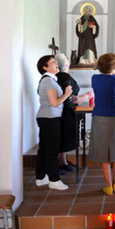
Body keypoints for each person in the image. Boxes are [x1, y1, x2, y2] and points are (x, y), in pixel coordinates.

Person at [89, 53, 115, 195]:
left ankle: (108, 185)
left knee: (103, 153)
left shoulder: (95, 79)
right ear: (114, 67)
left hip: (99, 116)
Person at [35, 55, 73, 190]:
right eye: (52, 62)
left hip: (46, 118)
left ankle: (40, 177)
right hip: (50, 118)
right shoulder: (48, 81)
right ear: (45, 67)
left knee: (44, 148)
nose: (56, 64)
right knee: (52, 150)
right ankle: (54, 179)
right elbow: (54, 102)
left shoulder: (49, 80)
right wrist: (67, 94)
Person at [53, 53, 93, 172]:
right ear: (66, 64)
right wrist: (84, 96)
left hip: (60, 110)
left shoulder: (55, 77)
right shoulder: (65, 78)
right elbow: (70, 95)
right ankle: (57, 164)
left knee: (63, 137)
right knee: (62, 137)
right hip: (65, 111)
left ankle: (62, 161)